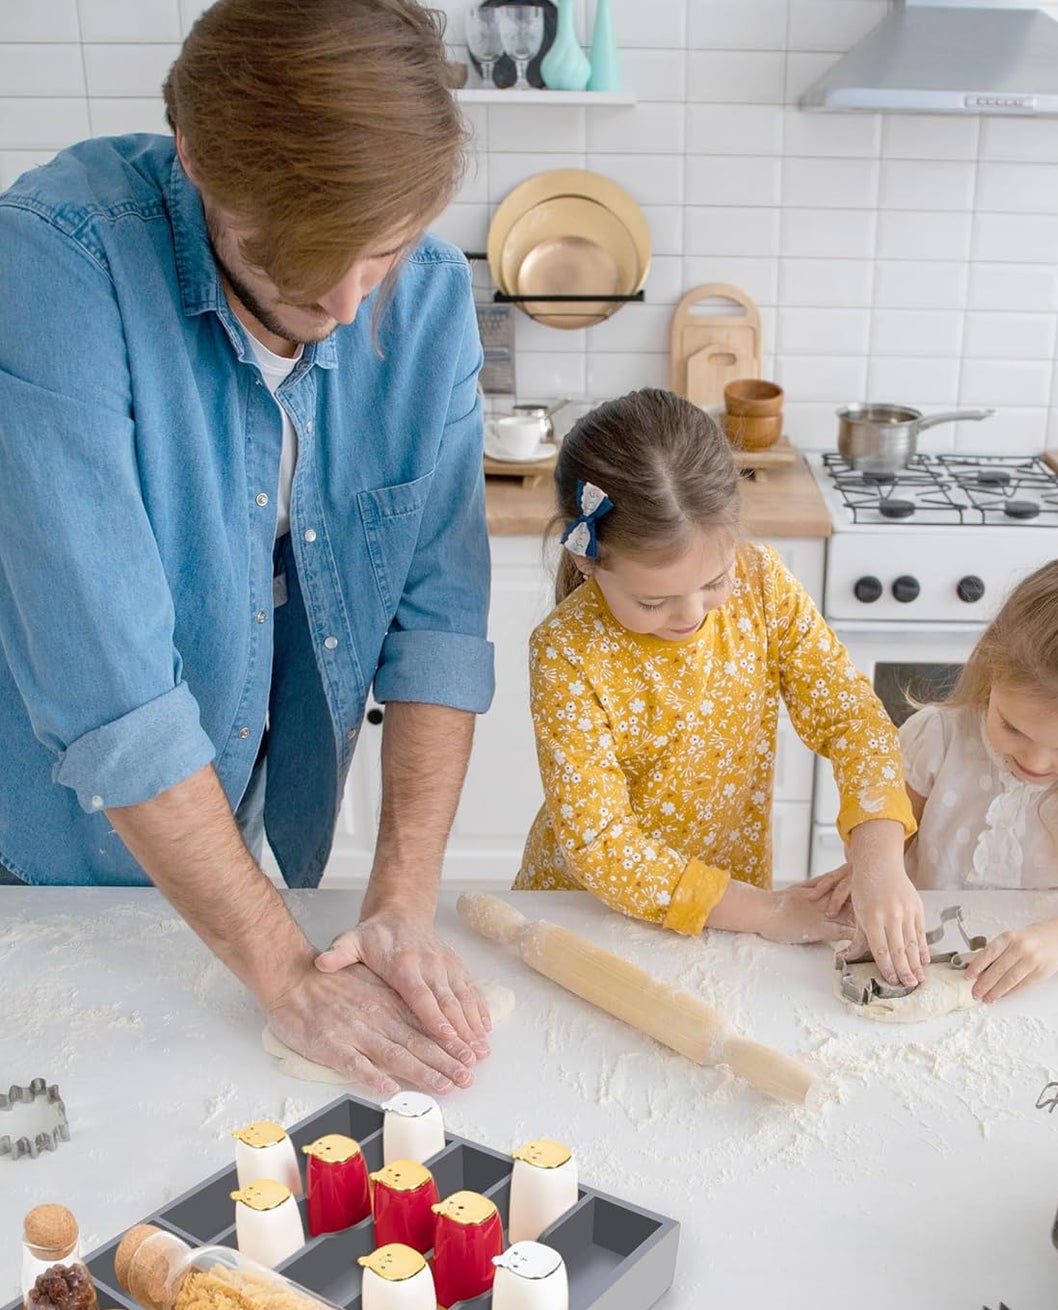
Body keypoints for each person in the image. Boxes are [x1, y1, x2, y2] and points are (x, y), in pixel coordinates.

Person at [0, 0, 495, 1094]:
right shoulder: (53, 262)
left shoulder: (430, 298)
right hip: (38, 855)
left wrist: (400, 903)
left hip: (222, 836)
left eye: (384, 254)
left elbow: (438, 621)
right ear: (195, 162)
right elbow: (110, 694)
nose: (346, 302)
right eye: (301, 263)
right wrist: (285, 970)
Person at [513, 388, 931, 984]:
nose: (690, 615)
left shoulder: (763, 584)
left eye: (714, 581)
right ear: (587, 561)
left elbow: (851, 719)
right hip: (587, 916)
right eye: (653, 600)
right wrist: (766, 910)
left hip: (729, 911)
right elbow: (602, 844)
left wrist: (882, 862)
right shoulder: (567, 651)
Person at [816, 528, 1058, 1002]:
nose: (1034, 760)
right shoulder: (942, 737)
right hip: (931, 966)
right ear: (991, 673)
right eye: (1013, 728)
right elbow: (890, 830)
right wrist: (875, 868)